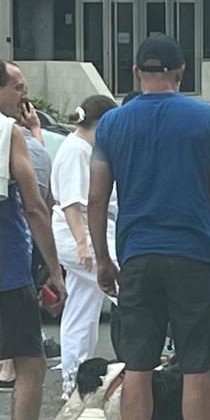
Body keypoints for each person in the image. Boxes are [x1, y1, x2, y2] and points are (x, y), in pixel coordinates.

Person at [89, 34, 210, 420]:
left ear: (136, 72)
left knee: (137, 365)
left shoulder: (112, 124)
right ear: (180, 72)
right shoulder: (208, 119)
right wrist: (205, 238)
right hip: (192, 253)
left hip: (137, 254)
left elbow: (96, 198)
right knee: (196, 365)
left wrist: (104, 258)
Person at [0, 60, 67, 420]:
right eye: (18, 86)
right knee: (30, 362)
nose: (25, 94)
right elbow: (36, 207)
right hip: (6, 268)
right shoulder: (7, 134)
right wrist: (54, 272)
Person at [50, 94, 118, 398]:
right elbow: (73, 204)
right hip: (82, 235)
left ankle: (73, 379)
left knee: (81, 307)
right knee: (124, 289)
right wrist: (83, 244)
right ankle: (76, 378)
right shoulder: (78, 151)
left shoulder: (77, 147)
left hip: (79, 235)